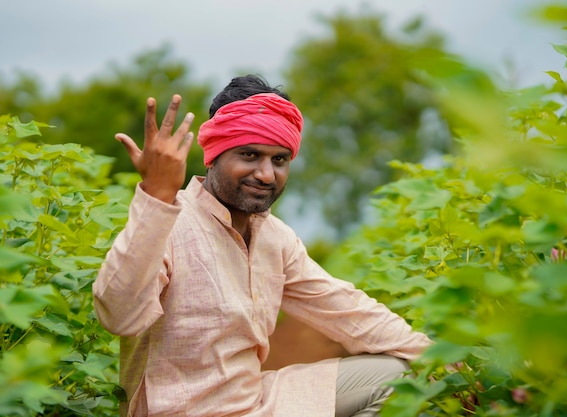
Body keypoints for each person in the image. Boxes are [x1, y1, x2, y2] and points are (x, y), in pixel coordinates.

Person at [93, 75, 433, 417]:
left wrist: (446, 363)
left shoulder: (275, 238)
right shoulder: (168, 222)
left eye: (279, 160)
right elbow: (120, 316)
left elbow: (350, 312)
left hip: (256, 405)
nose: (266, 174)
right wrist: (156, 197)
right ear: (213, 155)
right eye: (250, 154)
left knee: (405, 376)